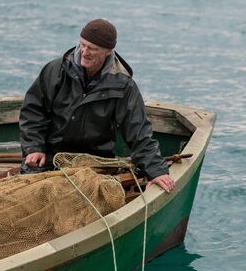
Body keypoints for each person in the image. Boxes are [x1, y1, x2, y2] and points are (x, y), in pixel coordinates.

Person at [19, 19, 175, 193]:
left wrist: (157, 171)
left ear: (108, 51)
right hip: (50, 156)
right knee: (29, 193)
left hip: (96, 162)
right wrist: (34, 148)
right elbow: (33, 111)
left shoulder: (123, 85)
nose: (85, 52)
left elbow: (139, 132)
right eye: (82, 45)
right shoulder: (56, 70)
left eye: (92, 48)